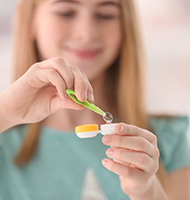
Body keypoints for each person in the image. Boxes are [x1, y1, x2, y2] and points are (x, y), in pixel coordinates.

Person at [0, 0, 190, 199]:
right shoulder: (4, 139)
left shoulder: (165, 140)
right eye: (66, 13)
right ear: (27, 17)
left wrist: (147, 192)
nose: (87, 32)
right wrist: (5, 112)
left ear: (125, 25)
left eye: (105, 15)